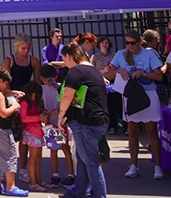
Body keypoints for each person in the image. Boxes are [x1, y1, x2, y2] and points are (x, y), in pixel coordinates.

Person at [105, 28, 165, 180]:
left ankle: (158, 166)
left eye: (132, 43)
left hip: (148, 95)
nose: (130, 46)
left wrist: (143, 73)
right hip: (130, 96)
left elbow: (159, 76)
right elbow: (108, 75)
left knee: (152, 131)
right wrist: (118, 70)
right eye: (127, 43)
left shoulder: (149, 54)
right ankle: (133, 165)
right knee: (133, 132)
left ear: (139, 42)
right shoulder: (120, 55)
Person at [57, 42, 108, 198]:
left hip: (86, 122)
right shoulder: (93, 71)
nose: (64, 63)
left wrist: (61, 116)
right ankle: (79, 191)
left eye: (64, 59)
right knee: (83, 157)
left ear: (68, 56)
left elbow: (66, 96)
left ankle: (99, 195)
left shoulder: (76, 71)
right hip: (98, 120)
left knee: (90, 160)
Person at [0, 66, 28, 196]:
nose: (6, 87)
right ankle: (11, 186)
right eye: (6, 84)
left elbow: (1, 95)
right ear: (0, 81)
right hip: (1, 129)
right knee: (9, 156)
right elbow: (3, 113)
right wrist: (14, 106)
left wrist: (12, 93)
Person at [4, 33, 41, 182]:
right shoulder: (10, 60)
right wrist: (12, 97)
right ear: (17, 46)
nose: (26, 51)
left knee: (26, 137)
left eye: (28, 48)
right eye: (23, 48)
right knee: (12, 135)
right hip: (13, 99)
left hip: (27, 100)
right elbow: (4, 83)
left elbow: (37, 83)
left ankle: (23, 168)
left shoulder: (34, 61)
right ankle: (7, 167)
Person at [39, 64, 74, 188]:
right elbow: (40, 104)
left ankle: (71, 175)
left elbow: (68, 104)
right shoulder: (42, 89)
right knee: (53, 149)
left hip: (60, 124)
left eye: (48, 79)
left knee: (65, 147)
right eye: (43, 79)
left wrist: (58, 111)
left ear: (55, 77)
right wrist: (43, 111)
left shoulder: (61, 88)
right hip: (50, 125)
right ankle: (55, 175)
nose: (46, 82)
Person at [18, 81, 48, 191]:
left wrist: (42, 111)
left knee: (38, 158)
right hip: (31, 132)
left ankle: (38, 180)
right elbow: (24, 118)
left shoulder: (32, 103)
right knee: (33, 158)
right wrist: (38, 117)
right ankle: (33, 182)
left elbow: (33, 114)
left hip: (37, 132)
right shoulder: (25, 103)